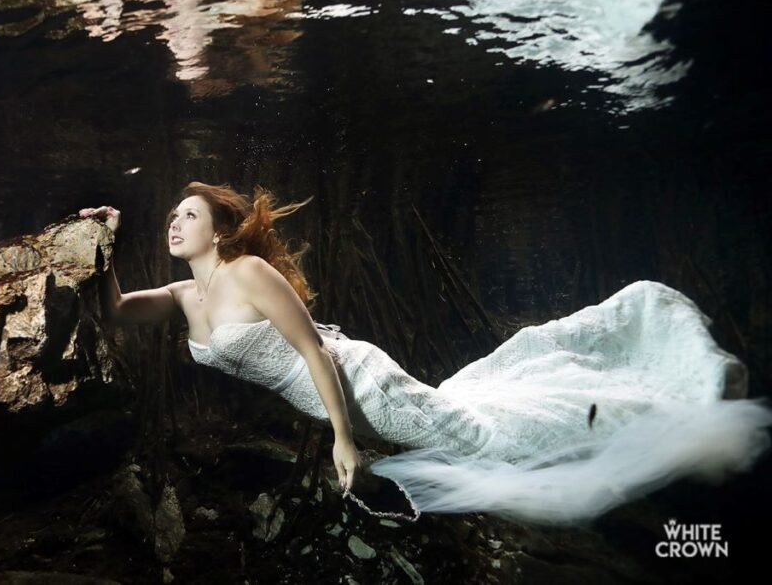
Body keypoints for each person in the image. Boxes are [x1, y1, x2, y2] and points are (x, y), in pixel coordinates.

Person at [79, 182, 772, 526]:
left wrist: (344, 441)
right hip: (336, 406)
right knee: (476, 434)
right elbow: (112, 309)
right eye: (171, 215)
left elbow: (316, 351)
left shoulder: (247, 276)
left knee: (483, 442)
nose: (175, 221)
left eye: (189, 214)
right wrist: (101, 242)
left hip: (358, 384)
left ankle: (647, 414)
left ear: (222, 231)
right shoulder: (181, 294)